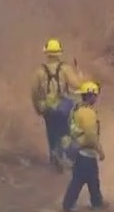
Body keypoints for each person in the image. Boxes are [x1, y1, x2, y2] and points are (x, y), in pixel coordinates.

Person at [30, 39, 83, 172]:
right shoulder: (65, 68)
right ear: (59, 53)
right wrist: (79, 75)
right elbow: (77, 85)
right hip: (64, 106)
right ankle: (68, 157)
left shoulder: (39, 71)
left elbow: (34, 93)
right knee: (66, 132)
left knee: (51, 132)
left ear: (46, 53)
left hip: (48, 108)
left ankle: (55, 156)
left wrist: (38, 108)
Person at [61, 81, 106, 212]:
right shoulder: (88, 113)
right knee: (80, 179)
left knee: (92, 178)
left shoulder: (78, 109)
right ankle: (68, 204)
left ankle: (97, 202)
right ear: (91, 96)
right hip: (85, 151)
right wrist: (100, 150)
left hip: (81, 150)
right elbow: (91, 136)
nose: (96, 98)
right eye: (95, 95)